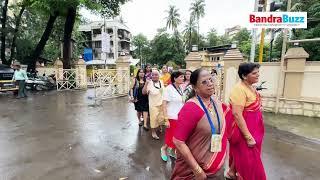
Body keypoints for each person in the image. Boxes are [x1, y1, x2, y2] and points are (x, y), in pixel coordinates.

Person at [171, 69, 228, 180]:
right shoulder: (190, 108)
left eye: (210, 80)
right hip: (194, 171)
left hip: (216, 166)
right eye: (204, 82)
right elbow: (178, 141)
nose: (210, 84)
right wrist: (197, 170)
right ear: (195, 88)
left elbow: (230, 119)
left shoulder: (215, 101)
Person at [226, 62, 266, 180]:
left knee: (244, 154)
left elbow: (251, 106)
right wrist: (248, 137)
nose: (258, 75)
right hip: (245, 131)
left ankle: (232, 172)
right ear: (244, 76)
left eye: (258, 72)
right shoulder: (239, 89)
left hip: (255, 129)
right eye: (254, 73)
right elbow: (237, 114)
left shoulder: (251, 87)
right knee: (248, 158)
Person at [160, 71, 185, 162]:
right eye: (181, 77)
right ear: (175, 78)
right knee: (171, 137)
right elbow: (164, 104)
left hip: (180, 117)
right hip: (172, 117)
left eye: (183, 77)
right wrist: (166, 119)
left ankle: (172, 151)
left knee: (178, 137)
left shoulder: (181, 88)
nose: (183, 78)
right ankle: (163, 149)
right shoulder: (169, 89)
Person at [143, 70, 165, 140]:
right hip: (153, 104)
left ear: (159, 76)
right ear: (151, 76)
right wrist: (146, 83)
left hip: (161, 103)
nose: (155, 76)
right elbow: (143, 92)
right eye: (153, 75)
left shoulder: (161, 82)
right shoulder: (149, 83)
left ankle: (159, 127)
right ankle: (153, 132)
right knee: (154, 119)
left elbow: (163, 92)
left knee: (161, 117)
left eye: (156, 75)